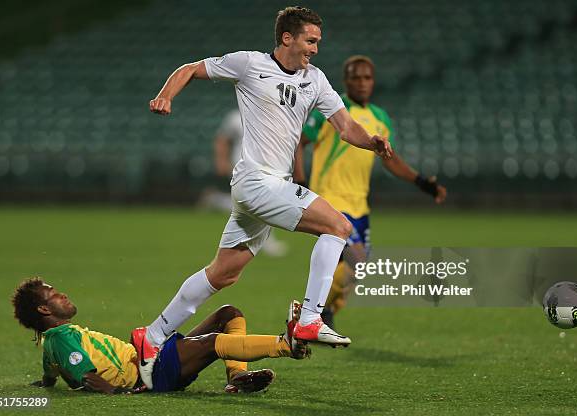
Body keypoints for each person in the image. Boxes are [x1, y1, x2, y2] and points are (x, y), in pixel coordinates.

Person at [143, 6, 393, 389]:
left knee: (224, 272)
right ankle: (309, 318)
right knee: (339, 226)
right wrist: (165, 96)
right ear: (287, 38)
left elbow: (345, 127)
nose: (315, 49)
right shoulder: (249, 64)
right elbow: (191, 68)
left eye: (318, 42)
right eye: (310, 41)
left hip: (264, 188)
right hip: (256, 182)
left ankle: (153, 335)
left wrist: (371, 142)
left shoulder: (316, 79)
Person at [294, 55, 447, 328]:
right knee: (357, 261)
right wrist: (301, 182)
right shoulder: (332, 110)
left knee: (356, 272)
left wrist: (422, 182)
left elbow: (391, 160)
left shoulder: (380, 118)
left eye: (367, 78)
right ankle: (314, 315)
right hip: (330, 200)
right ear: (346, 81)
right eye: (356, 77)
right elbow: (299, 142)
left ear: (373, 81)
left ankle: (318, 313)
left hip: (359, 206)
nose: (362, 83)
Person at [12, 277, 309, 394]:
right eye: (55, 295)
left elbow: (52, 371)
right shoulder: (60, 337)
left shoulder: (53, 343)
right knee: (212, 343)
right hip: (150, 373)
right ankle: (285, 345)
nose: (63, 295)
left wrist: (46, 383)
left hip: (151, 355)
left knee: (228, 314)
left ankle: (236, 378)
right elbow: (85, 377)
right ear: (43, 309)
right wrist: (118, 393)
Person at [200, 108, 289, 257]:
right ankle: (266, 242)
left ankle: (216, 200)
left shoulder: (270, 113)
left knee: (250, 204)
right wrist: (221, 160)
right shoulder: (236, 116)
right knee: (262, 202)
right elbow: (222, 139)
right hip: (242, 163)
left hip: (265, 164)